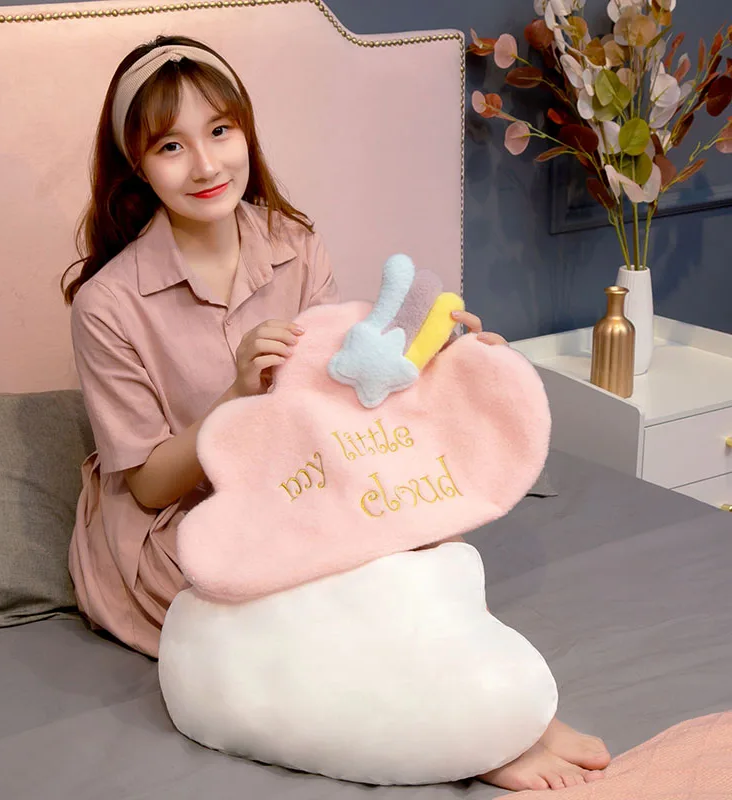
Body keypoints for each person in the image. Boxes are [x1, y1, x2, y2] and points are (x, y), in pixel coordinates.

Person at [61, 34, 610, 792]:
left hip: (301, 480)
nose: (206, 165)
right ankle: (492, 736)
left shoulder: (295, 244)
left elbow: (342, 392)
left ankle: (510, 716)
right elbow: (151, 486)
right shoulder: (106, 305)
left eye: (220, 131)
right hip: (181, 523)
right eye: (170, 146)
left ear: (246, 131)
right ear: (135, 162)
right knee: (331, 602)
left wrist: (439, 358)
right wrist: (235, 397)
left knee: (404, 556)